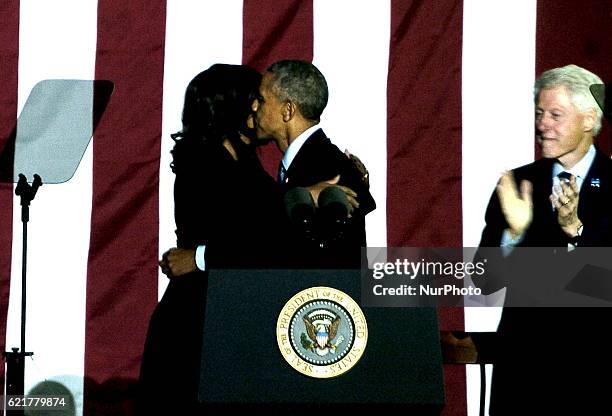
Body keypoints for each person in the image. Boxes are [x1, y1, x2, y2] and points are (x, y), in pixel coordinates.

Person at [137, 64, 284, 415]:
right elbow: (253, 239)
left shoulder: (245, 161)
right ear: (233, 106)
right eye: (256, 100)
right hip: (197, 320)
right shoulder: (202, 162)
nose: (261, 108)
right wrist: (202, 257)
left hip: (227, 311)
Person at [477, 64, 612, 414]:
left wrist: (575, 234)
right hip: (523, 377)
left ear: (589, 119)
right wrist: (513, 235)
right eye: (539, 114)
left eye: (555, 114)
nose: (542, 125)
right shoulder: (517, 185)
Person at [252, 60, 376, 267]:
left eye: (262, 100)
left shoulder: (326, 168)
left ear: (288, 110)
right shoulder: (316, 160)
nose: (254, 107)